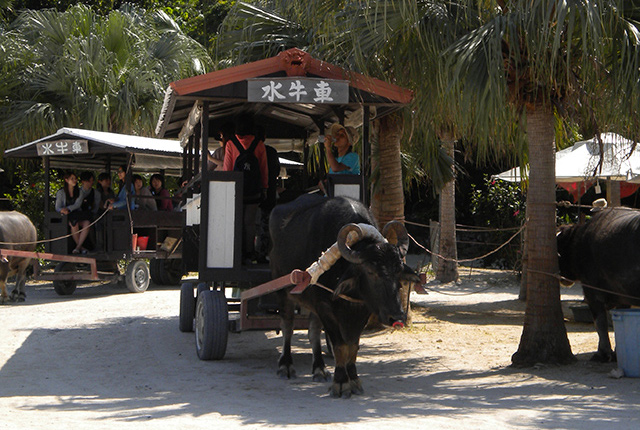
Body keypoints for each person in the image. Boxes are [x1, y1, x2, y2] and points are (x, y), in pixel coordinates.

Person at [223, 114, 269, 264]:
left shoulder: (231, 143)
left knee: (236, 221)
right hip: (253, 191)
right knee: (249, 223)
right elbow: (263, 169)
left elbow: (227, 169)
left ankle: (237, 252)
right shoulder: (259, 144)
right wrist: (265, 188)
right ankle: (249, 253)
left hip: (235, 191)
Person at [55, 171, 91, 254]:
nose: (75, 180)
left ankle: (78, 247)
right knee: (74, 224)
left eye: (75, 179)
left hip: (77, 214)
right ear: (66, 180)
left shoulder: (79, 192)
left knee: (87, 223)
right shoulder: (61, 193)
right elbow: (57, 207)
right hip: (66, 217)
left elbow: (78, 205)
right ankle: (81, 248)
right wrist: (62, 210)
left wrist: (68, 208)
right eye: (72, 179)